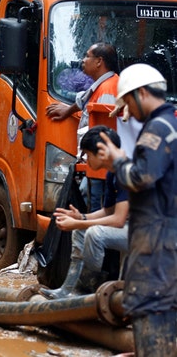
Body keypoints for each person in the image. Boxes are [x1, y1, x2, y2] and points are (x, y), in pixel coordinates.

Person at [96, 63, 177, 357]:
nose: (128, 110)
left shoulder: (157, 128)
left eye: (128, 101)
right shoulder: (172, 125)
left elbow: (141, 177)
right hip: (165, 239)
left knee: (151, 308)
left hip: (157, 244)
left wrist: (117, 160)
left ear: (141, 93)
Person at [41, 126, 129, 299]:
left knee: (95, 234)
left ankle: (85, 292)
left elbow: (118, 220)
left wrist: (80, 222)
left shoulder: (125, 172)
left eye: (88, 154)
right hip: (131, 228)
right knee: (81, 231)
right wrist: (81, 218)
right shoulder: (112, 174)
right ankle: (69, 289)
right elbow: (109, 210)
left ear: (101, 152)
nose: (86, 160)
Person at [46, 42, 120, 213]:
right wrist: (68, 110)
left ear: (99, 61)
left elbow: (105, 129)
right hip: (96, 165)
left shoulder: (108, 89)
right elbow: (84, 100)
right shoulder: (102, 85)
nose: (83, 60)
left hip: (101, 168)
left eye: (87, 56)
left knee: (94, 207)